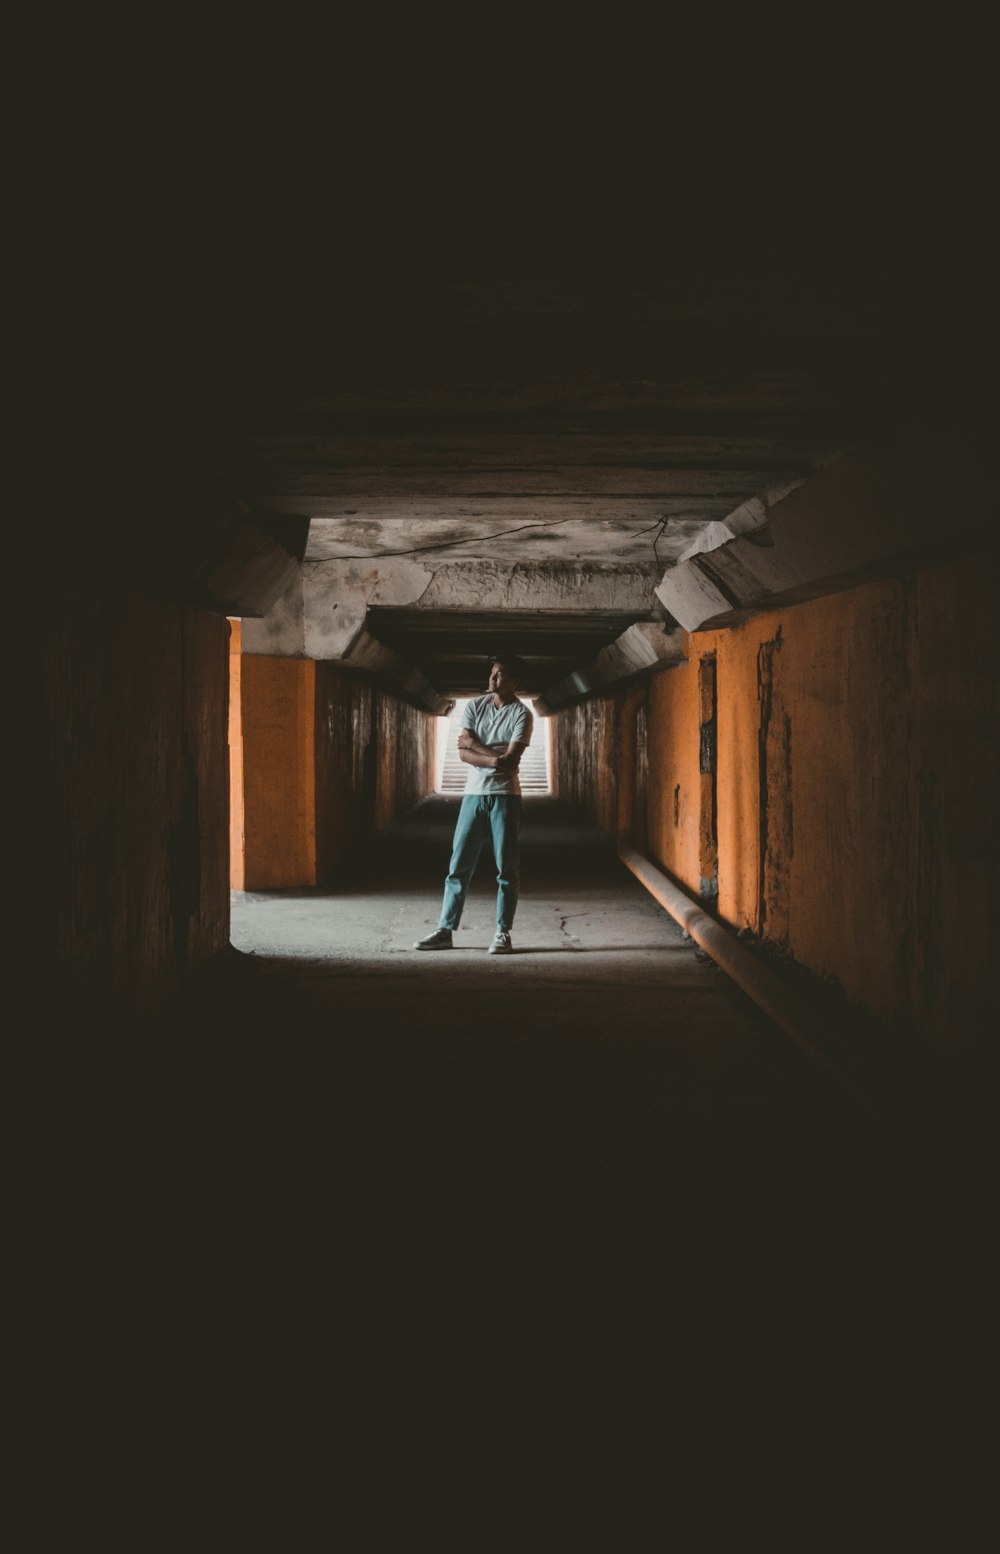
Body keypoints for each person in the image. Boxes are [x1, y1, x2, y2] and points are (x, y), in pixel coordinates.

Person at [414, 655, 533, 955]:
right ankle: (445, 929)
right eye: (493, 673)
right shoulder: (475, 706)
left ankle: (503, 933)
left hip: (506, 797)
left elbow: (511, 761)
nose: (494, 679)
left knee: (507, 868)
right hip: (473, 796)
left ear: (516, 681)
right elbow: (465, 754)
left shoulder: (522, 714)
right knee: (458, 866)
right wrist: (495, 758)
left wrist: (480, 750)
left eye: (502, 674)